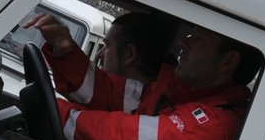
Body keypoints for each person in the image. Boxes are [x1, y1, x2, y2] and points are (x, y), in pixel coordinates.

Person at [54, 22, 261, 140]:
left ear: (228, 61)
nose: (183, 41)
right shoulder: (181, 94)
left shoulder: (216, 127)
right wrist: (64, 53)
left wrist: (58, 113)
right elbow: (108, 93)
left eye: (198, 36)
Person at [26, 10, 184, 113]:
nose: (99, 55)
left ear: (129, 54)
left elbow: (98, 90)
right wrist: (64, 52)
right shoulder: (134, 102)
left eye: (107, 46)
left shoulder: (151, 108)